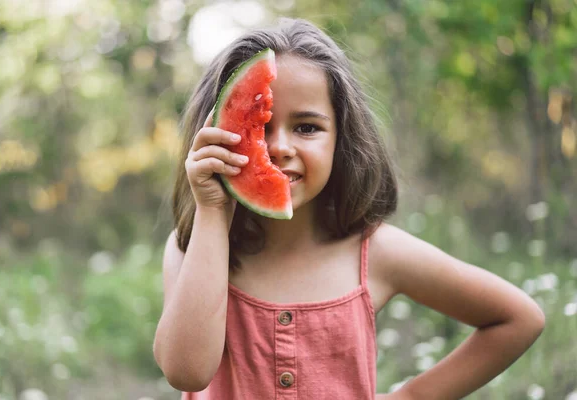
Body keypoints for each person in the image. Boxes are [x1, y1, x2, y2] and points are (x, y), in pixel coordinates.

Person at [152, 17, 545, 399]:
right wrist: (211, 213)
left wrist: (412, 395)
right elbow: (187, 372)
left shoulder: (377, 253)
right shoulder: (191, 247)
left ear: (343, 139)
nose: (280, 147)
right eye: (256, 128)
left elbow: (518, 319)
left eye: (306, 127)